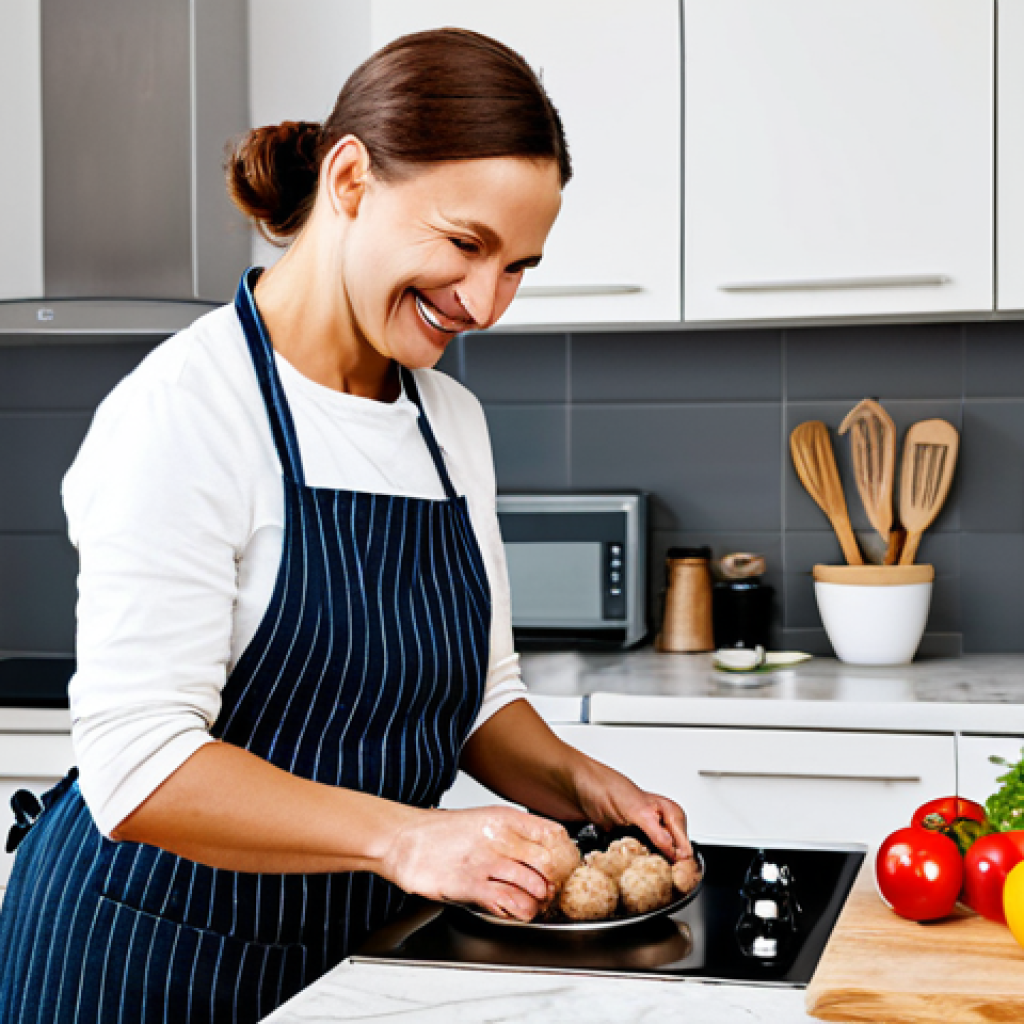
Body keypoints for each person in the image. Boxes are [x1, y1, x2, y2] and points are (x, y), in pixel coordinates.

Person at [0, 27, 691, 1024]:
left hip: (350, 953)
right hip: (137, 960)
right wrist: (411, 838)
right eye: (464, 244)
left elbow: (478, 698)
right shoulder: (191, 407)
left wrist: (584, 783)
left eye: (519, 266)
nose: (487, 304)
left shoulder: (447, 421)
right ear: (352, 178)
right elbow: (139, 763)